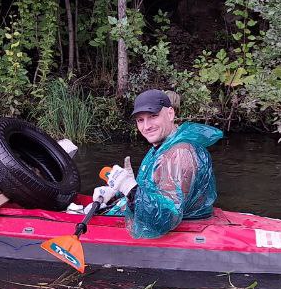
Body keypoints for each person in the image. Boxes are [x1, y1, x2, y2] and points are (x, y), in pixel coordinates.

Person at [93, 89, 222, 239]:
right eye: (140, 120)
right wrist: (118, 194)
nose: (146, 126)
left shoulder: (179, 153)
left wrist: (130, 188)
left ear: (170, 114)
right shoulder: (163, 145)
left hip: (183, 231)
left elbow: (163, 219)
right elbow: (154, 192)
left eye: (153, 116)